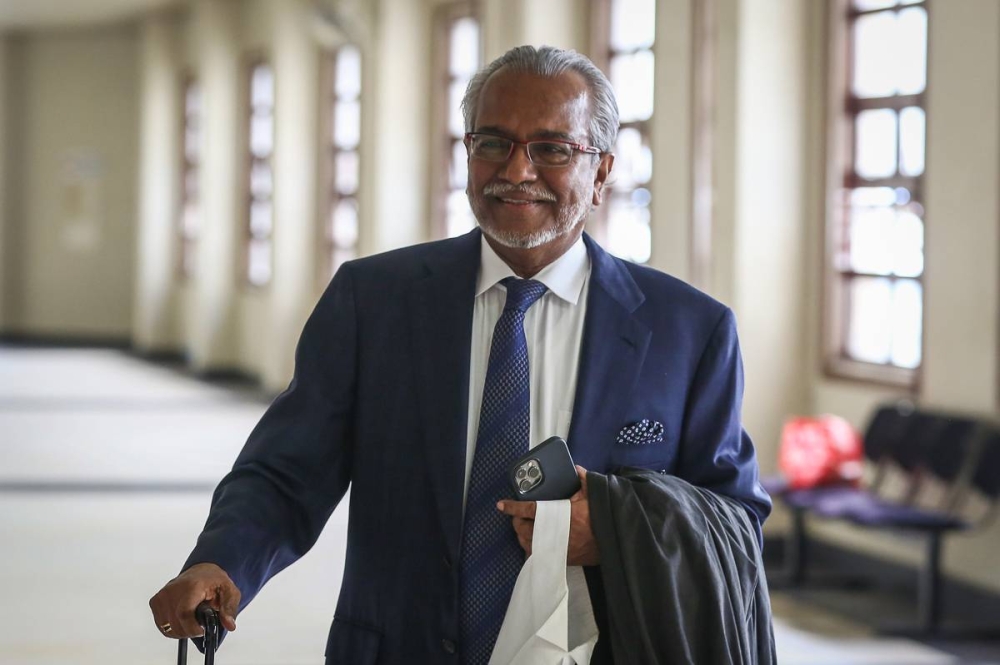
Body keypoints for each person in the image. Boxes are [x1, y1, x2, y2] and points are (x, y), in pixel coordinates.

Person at [149, 45, 772, 664]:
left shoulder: (688, 330)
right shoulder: (373, 301)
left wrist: (617, 534)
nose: (518, 170)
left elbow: (734, 520)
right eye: (493, 142)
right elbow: (288, 471)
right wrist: (220, 560)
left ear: (602, 172)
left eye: (553, 149)